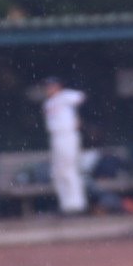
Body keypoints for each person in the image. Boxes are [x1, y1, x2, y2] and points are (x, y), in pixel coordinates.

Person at [40, 76, 86, 215]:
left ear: (58, 86)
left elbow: (81, 97)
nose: (49, 88)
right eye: (48, 86)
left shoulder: (64, 96)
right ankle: (66, 205)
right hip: (55, 137)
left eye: (52, 86)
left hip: (68, 136)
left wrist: (77, 117)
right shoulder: (48, 103)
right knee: (57, 172)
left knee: (69, 170)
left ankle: (77, 205)